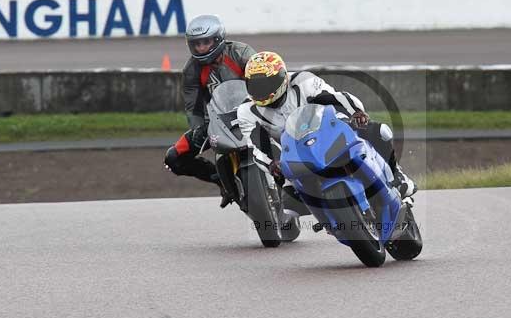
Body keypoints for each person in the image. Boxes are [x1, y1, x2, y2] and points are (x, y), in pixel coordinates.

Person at [236, 51, 416, 204]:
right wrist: (272, 164)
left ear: (281, 77)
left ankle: (397, 175)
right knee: (288, 208)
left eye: (265, 84)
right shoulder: (246, 110)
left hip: (328, 132)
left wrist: (356, 113)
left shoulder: (303, 81)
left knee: (378, 131)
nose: (260, 90)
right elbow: (256, 146)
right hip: (294, 155)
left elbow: (336, 97)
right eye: (254, 84)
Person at [164, 14, 255, 206]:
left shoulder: (241, 53)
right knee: (174, 158)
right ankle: (221, 180)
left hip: (254, 111)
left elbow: (262, 80)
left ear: (218, 38)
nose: (201, 48)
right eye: (196, 44)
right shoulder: (191, 70)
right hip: (217, 121)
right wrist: (197, 128)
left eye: (205, 42)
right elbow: (193, 107)